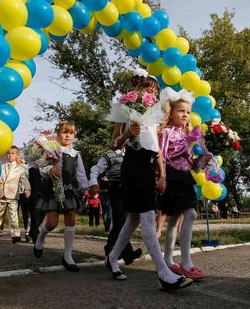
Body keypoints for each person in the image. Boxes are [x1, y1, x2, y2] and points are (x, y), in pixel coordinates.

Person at [104, 72, 193, 291]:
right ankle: (164, 273)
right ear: (137, 90)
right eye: (147, 89)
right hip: (132, 166)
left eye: (154, 90)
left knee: (133, 219)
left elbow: (155, 147)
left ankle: (113, 257)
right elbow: (113, 144)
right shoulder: (124, 110)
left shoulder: (155, 113)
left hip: (148, 167)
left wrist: (162, 173)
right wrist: (126, 134)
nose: (151, 93)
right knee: (146, 216)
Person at [158, 90, 206, 280]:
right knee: (190, 214)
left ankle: (169, 260)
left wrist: (202, 159)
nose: (185, 115)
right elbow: (160, 154)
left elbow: (192, 163)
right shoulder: (167, 132)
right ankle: (186, 262)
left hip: (185, 176)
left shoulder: (188, 135)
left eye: (188, 112)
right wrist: (160, 176)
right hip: (171, 176)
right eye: (180, 111)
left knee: (174, 220)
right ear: (171, 113)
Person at [33, 121, 89, 272]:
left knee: (70, 218)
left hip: (69, 190)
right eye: (64, 132)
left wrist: (87, 189)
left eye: (70, 133)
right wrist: (49, 168)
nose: (67, 135)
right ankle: (40, 237)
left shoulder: (76, 154)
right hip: (53, 190)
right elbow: (41, 167)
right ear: (58, 134)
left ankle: (68, 255)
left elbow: (81, 174)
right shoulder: (51, 150)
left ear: (74, 135)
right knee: (52, 224)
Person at [88, 147, 142, 265]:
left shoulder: (132, 153)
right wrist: (93, 183)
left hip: (129, 191)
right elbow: (96, 169)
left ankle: (109, 248)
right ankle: (127, 253)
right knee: (121, 221)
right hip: (115, 189)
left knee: (120, 223)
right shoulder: (110, 155)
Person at [0, 146, 31, 244]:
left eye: (13, 153)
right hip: (1, 193)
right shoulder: (1, 167)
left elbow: (24, 180)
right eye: (8, 153)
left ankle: (15, 235)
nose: (10, 155)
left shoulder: (20, 169)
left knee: (13, 216)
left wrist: (27, 189)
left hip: (13, 195)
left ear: (17, 155)